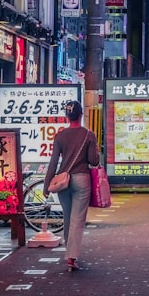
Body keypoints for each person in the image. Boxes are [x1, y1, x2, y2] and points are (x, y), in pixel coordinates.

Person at [43, 100, 101, 272]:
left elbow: (53, 163)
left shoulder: (60, 136)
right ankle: (71, 257)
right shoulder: (88, 135)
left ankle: (70, 253)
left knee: (68, 218)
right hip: (82, 179)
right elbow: (93, 160)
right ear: (81, 115)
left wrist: (46, 185)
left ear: (67, 116)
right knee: (77, 220)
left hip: (63, 181)